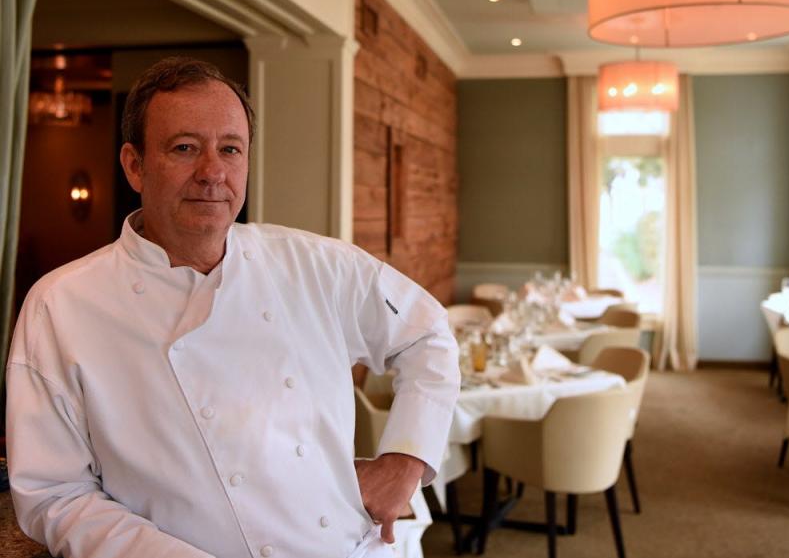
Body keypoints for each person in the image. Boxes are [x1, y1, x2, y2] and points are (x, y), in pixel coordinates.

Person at [5, 57, 460, 558]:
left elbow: (428, 335)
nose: (212, 172)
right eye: (184, 148)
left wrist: (405, 459)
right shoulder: (61, 305)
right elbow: (56, 494)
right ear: (134, 165)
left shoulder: (317, 263)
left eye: (230, 149)